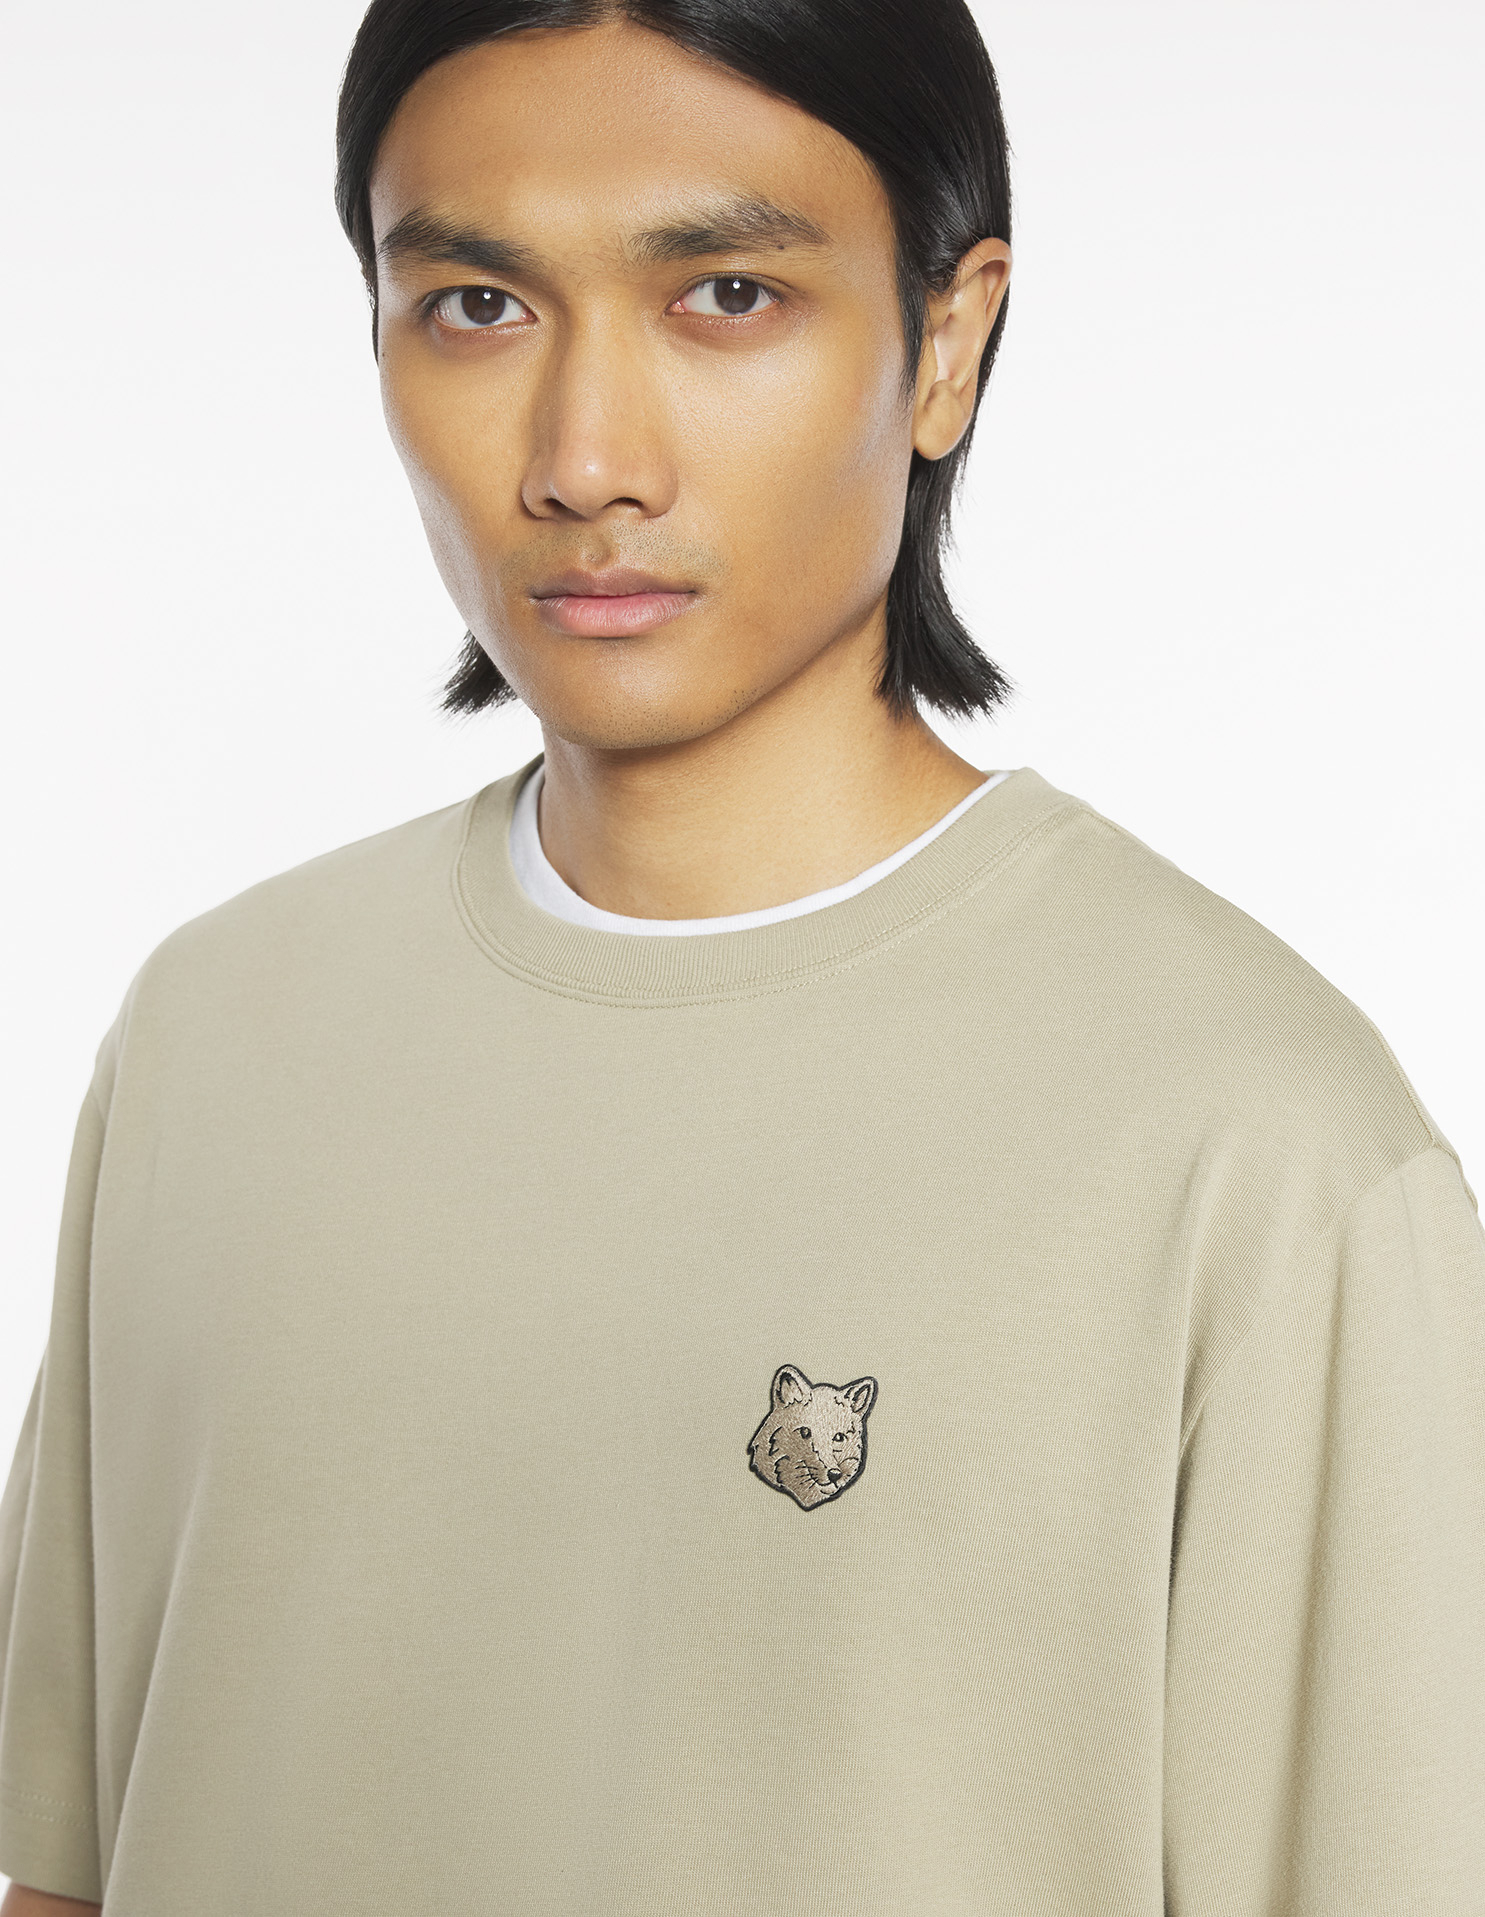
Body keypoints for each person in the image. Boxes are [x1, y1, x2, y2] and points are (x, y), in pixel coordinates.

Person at [2, 0, 1482, 1910]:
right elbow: (59, 1864)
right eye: (475, 305)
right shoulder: (211, 1036)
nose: (584, 459)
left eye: (722, 296)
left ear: (943, 345)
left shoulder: (1260, 1152)